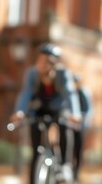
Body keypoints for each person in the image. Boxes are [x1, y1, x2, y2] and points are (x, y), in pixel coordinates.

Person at [10, 43, 81, 184]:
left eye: (47, 61)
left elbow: (70, 94)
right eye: (40, 60)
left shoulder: (63, 74)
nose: (43, 64)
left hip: (58, 109)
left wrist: (75, 113)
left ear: (54, 63)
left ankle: (64, 166)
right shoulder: (32, 73)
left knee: (64, 127)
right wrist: (19, 112)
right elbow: (26, 93)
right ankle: (33, 179)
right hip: (38, 110)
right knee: (36, 149)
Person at [72, 74, 93, 182]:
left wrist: (82, 120)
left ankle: (76, 171)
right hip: (70, 124)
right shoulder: (70, 93)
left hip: (81, 125)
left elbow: (88, 110)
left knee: (78, 149)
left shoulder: (83, 93)